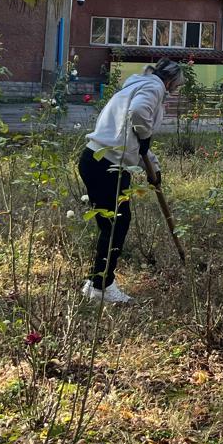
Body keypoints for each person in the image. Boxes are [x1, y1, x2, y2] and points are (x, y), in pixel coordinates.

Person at [79, 57, 184, 304]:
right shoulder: (154, 87)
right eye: (176, 86)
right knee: (117, 224)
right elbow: (138, 116)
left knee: (110, 225)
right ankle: (101, 287)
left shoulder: (136, 85)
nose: (174, 91)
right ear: (170, 80)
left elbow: (136, 138)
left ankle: (94, 282)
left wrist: (153, 168)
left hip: (93, 158)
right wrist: (146, 136)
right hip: (108, 164)